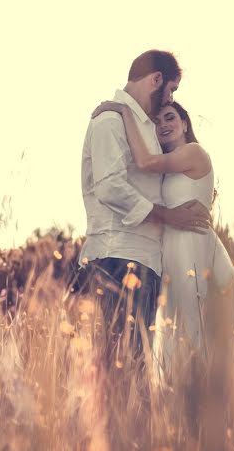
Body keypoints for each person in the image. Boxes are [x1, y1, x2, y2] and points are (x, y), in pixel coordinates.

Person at [89, 99, 234, 379]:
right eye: (158, 121)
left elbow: (145, 161)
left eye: (170, 118)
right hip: (171, 251)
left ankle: (215, 391)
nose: (163, 125)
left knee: (199, 322)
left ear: (185, 124)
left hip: (193, 247)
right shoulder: (170, 169)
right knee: (176, 326)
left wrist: (125, 110)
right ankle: (184, 396)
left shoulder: (194, 153)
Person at [77, 50, 211, 371]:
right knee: (121, 368)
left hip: (144, 262)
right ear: (156, 80)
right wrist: (168, 216)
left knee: (135, 367)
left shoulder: (143, 127)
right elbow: (110, 187)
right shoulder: (110, 120)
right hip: (118, 257)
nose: (170, 99)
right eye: (171, 90)